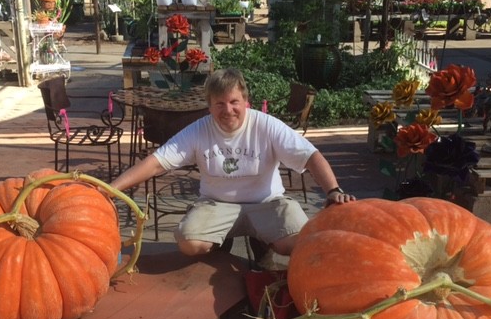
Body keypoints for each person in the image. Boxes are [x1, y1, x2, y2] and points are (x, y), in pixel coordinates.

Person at [109, 68, 355, 259]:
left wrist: (333, 190)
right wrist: (111, 190)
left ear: (245, 100)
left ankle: (264, 244)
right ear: (209, 106)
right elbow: (156, 162)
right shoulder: (198, 130)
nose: (228, 110)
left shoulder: (266, 125)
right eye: (220, 104)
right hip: (217, 204)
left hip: (266, 203)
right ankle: (220, 243)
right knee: (189, 243)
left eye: (234, 102)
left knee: (300, 242)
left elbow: (311, 156)